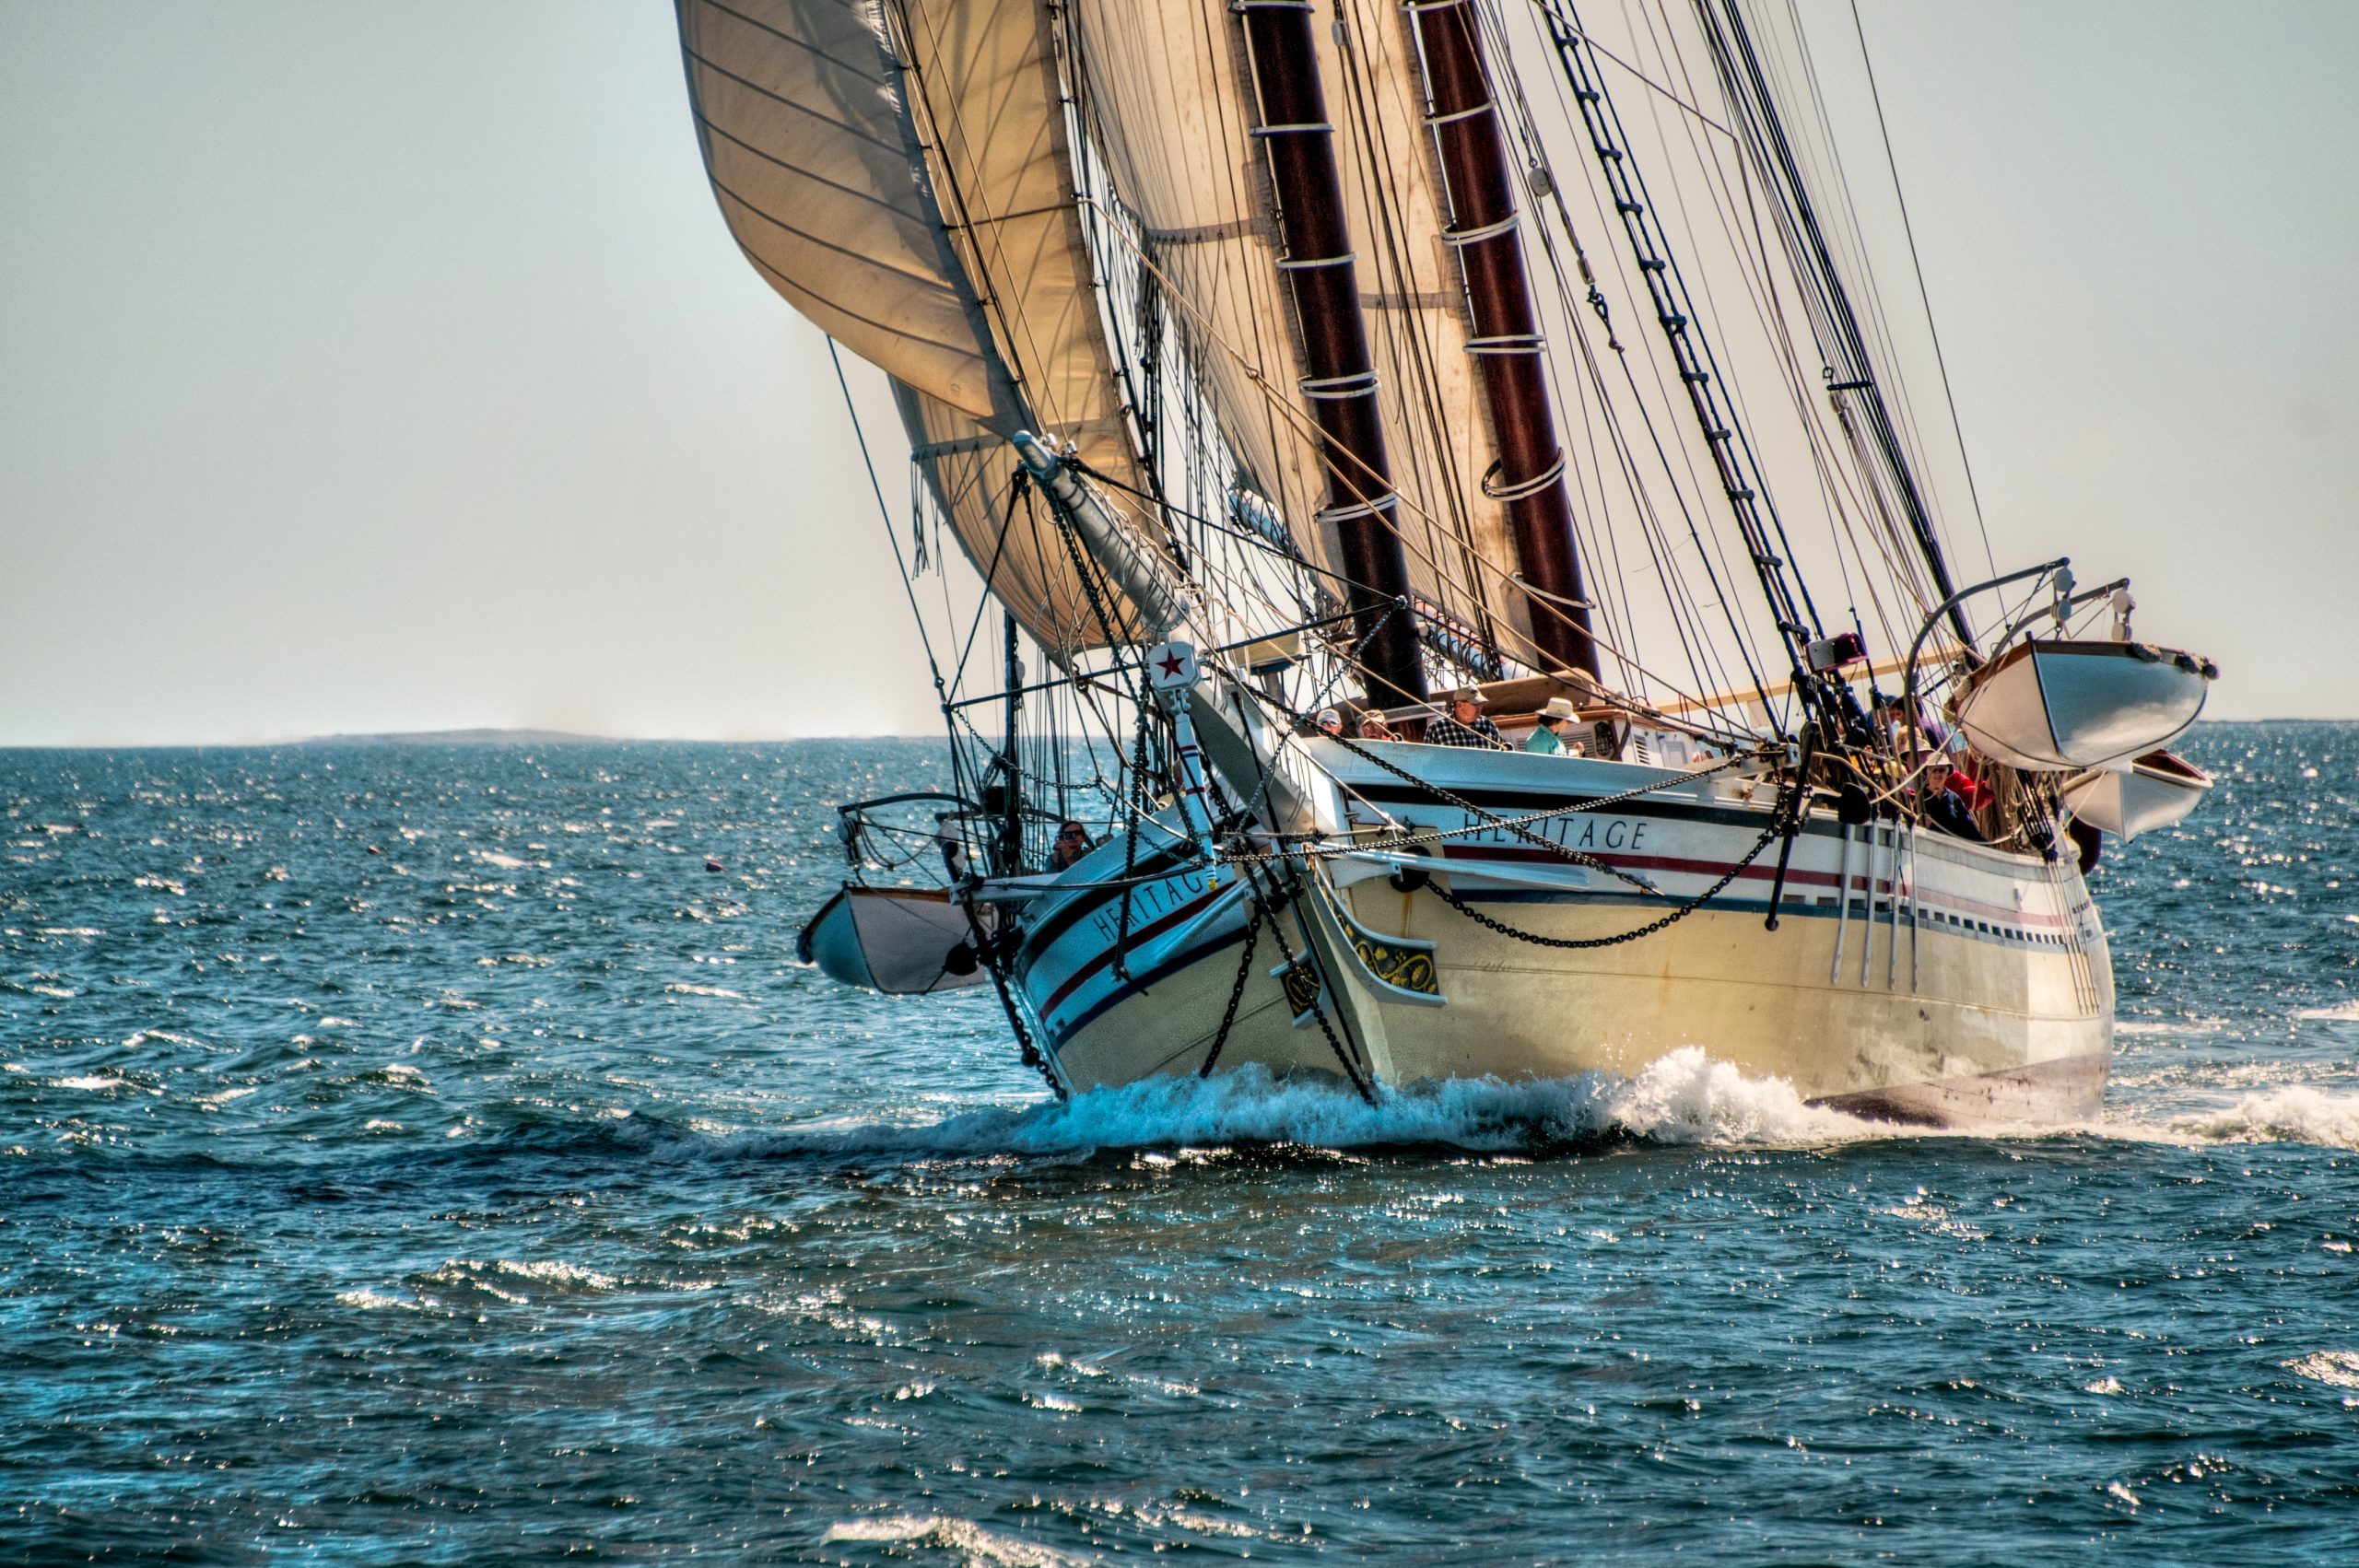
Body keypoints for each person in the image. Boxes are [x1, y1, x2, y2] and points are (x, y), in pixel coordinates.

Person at [1914, 755, 1983, 841]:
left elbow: (1970, 830)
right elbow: (1909, 825)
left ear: (1947, 773)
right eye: (1933, 770)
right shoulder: (1919, 798)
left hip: (1953, 849)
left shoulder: (1954, 798)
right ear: (1927, 772)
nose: (1937, 774)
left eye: (1941, 770)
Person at [1424, 689, 1508, 749]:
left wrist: (1508, 748)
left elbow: (1501, 749)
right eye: (1475, 704)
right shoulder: (1436, 729)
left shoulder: (1488, 725)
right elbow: (1428, 761)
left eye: (1481, 704)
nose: (1480, 707)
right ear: (1460, 705)